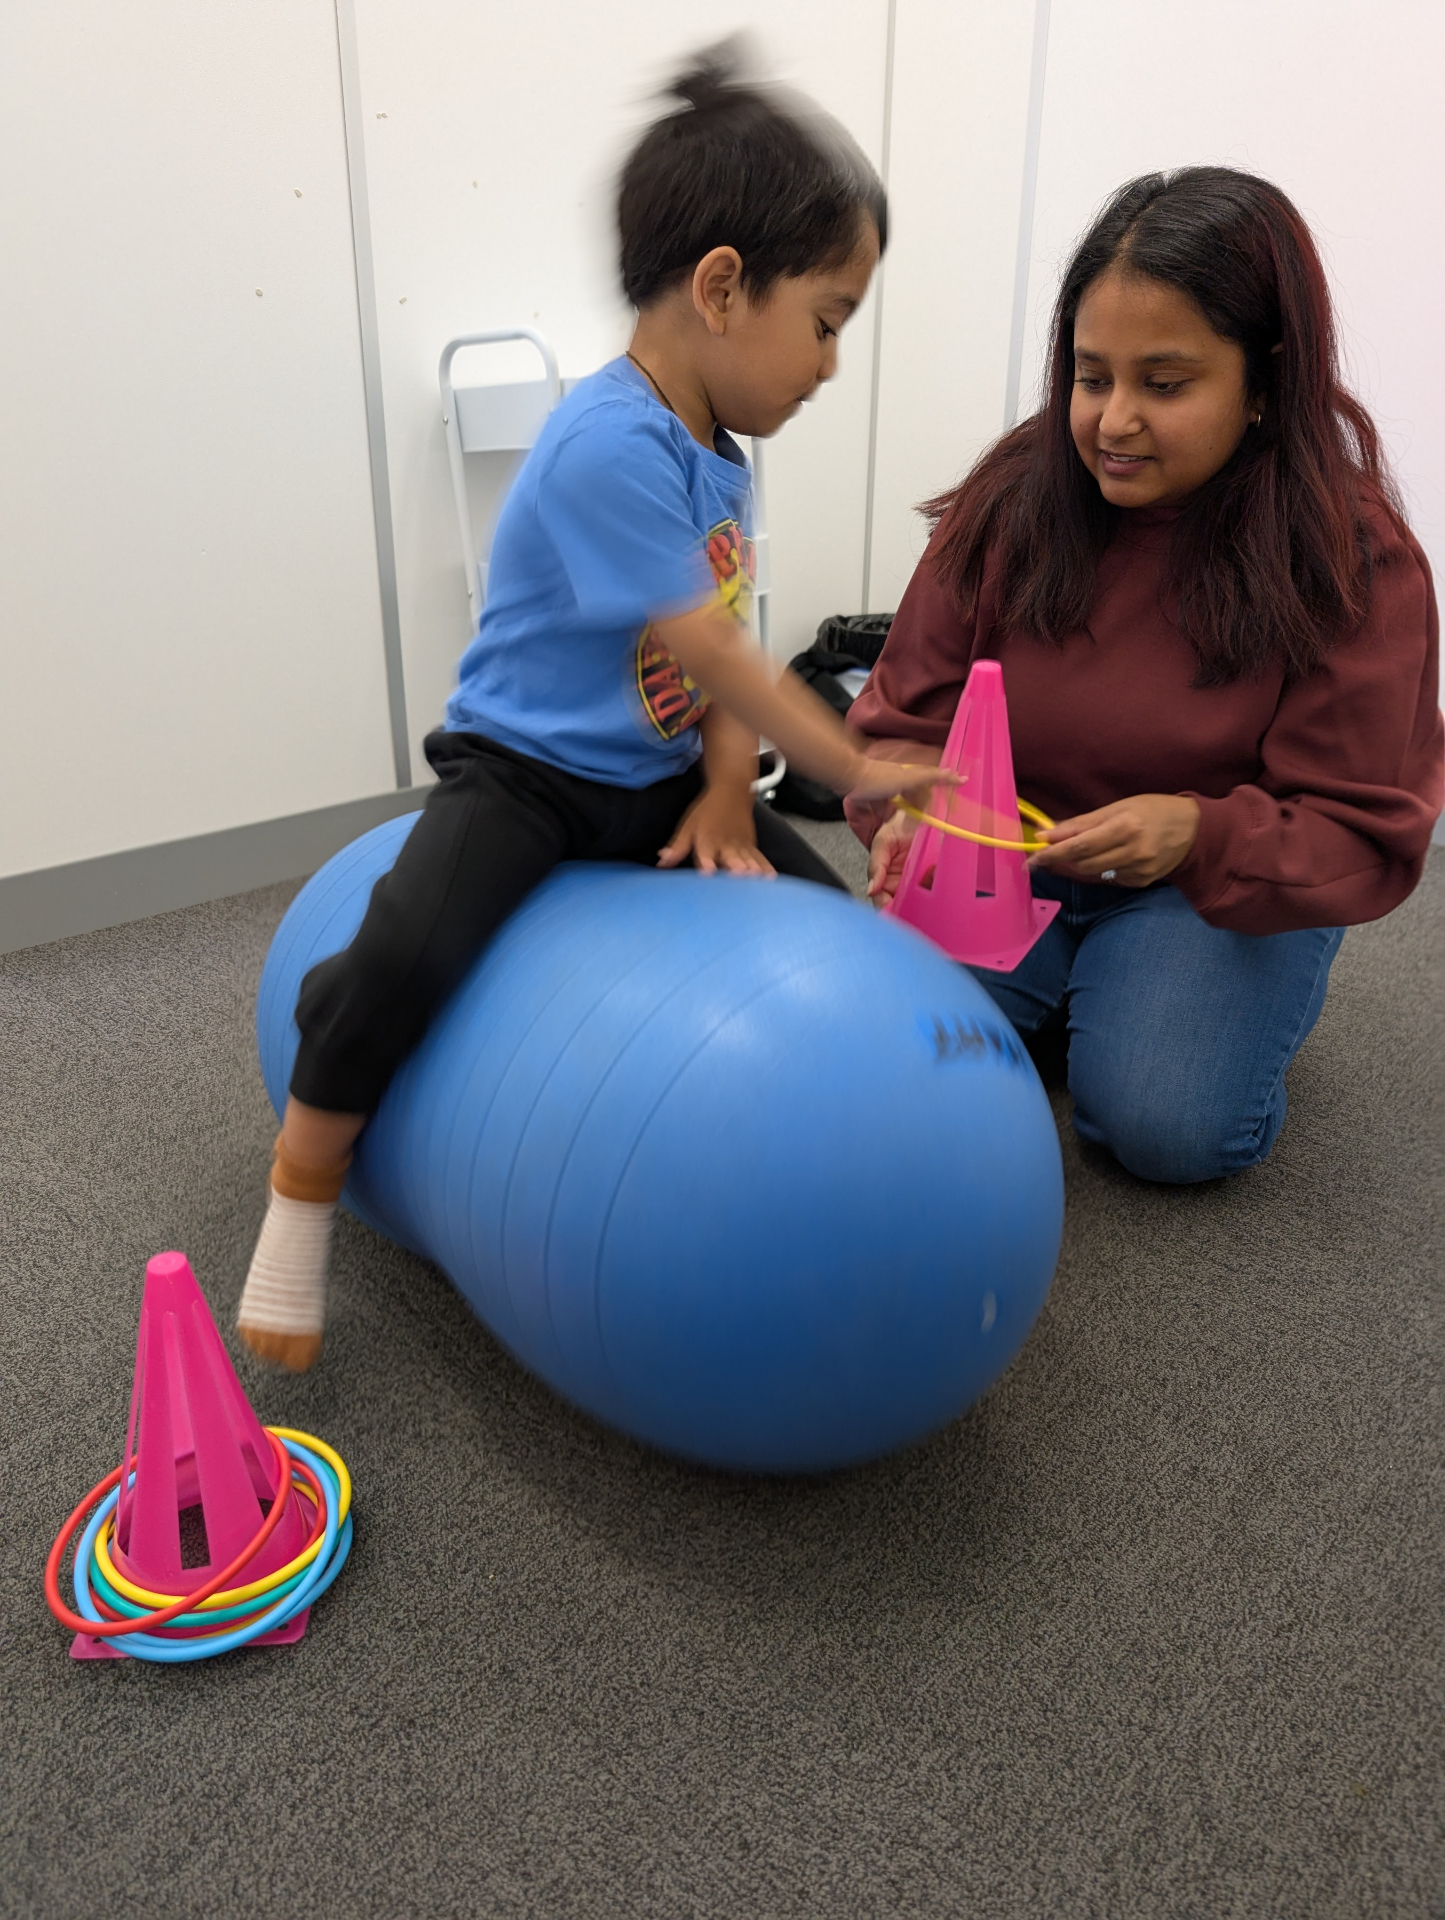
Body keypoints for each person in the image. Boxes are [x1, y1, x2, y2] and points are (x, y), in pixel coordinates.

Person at [238, 45, 943, 1371]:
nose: (833, 364)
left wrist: (735, 789)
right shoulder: (604, 442)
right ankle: (302, 1186)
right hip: (531, 772)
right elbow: (718, 654)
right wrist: (847, 756)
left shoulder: (719, 458)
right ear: (724, 287)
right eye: (831, 318)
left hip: (664, 777)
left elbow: (727, 644)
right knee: (399, 960)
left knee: (815, 921)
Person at [849, 167, 1441, 1185]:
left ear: (1264, 380)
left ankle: (1158, 1006)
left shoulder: (1356, 561)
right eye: (1090, 377)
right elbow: (895, 719)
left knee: (1164, 1128)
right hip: (1009, 858)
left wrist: (1196, 833)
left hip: (1207, 888)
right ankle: (1082, 1001)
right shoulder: (1013, 501)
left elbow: (1356, 828)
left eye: (1161, 385)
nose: (1111, 423)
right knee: (868, 1055)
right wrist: (900, 810)